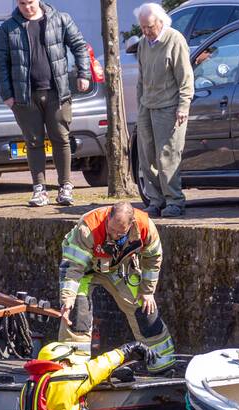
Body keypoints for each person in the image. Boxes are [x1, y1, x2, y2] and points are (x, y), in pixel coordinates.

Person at [57, 201, 176, 374]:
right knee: (77, 311)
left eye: (120, 233)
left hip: (118, 268)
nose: (113, 235)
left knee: (144, 308)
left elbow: (153, 257)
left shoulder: (145, 227)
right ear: (108, 217)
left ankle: (162, 362)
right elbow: (73, 266)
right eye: (111, 229)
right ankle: (74, 366)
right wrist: (67, 297)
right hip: (86, 269)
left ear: (132, 224)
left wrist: (147, 291)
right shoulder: (89, 227)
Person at [0, 0, 90, 207]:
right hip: (25, 96)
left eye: (30, 2)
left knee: (61, 138)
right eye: (22, 4)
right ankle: (39, 189)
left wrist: (84, 73)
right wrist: (7, 95)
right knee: (33, 142)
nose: (27, 8)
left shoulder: (60, 19)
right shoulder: (8, 27)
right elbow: (0, 63)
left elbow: (79, 46)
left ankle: (65, 187)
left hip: (57, 92)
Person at [20, 340, 155, 410]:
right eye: (71, 363)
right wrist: (128, 348)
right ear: (62, 363)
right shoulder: (66, 378)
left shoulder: (30, 384)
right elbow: (99, 365)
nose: (74, 367)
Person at [134, 2, 193, 217]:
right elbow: (141, 79)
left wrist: (183, 106)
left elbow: (185, 78)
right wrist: (140, 104)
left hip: (169, 107)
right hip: (147, 105)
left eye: (149, 27)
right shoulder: (143, 43)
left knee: (167, 156)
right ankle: (156, 199)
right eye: (142, 27)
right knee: (146, 156)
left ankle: (174, 201)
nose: (146, 32)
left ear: (161, 22)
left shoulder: (174, 40)